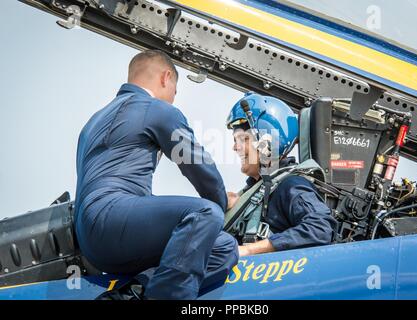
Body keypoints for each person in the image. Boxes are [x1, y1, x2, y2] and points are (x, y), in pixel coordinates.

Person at [74, 50, 238, 300]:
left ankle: (133, 293)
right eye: (175, 89)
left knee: (222, 246)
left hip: (90, 239)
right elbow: (198, 165)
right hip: (111, 218)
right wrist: (223, 205)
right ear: (166, 77)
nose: (173, 97)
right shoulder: (156, 109)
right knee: (205, 213)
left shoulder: (94, 121)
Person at [226, 92, 337, 257]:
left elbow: (321, 229)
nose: (235, 147)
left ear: (267, 142)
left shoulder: (291, 185)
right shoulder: (255, 192)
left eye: (243, 139)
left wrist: (249, 250)